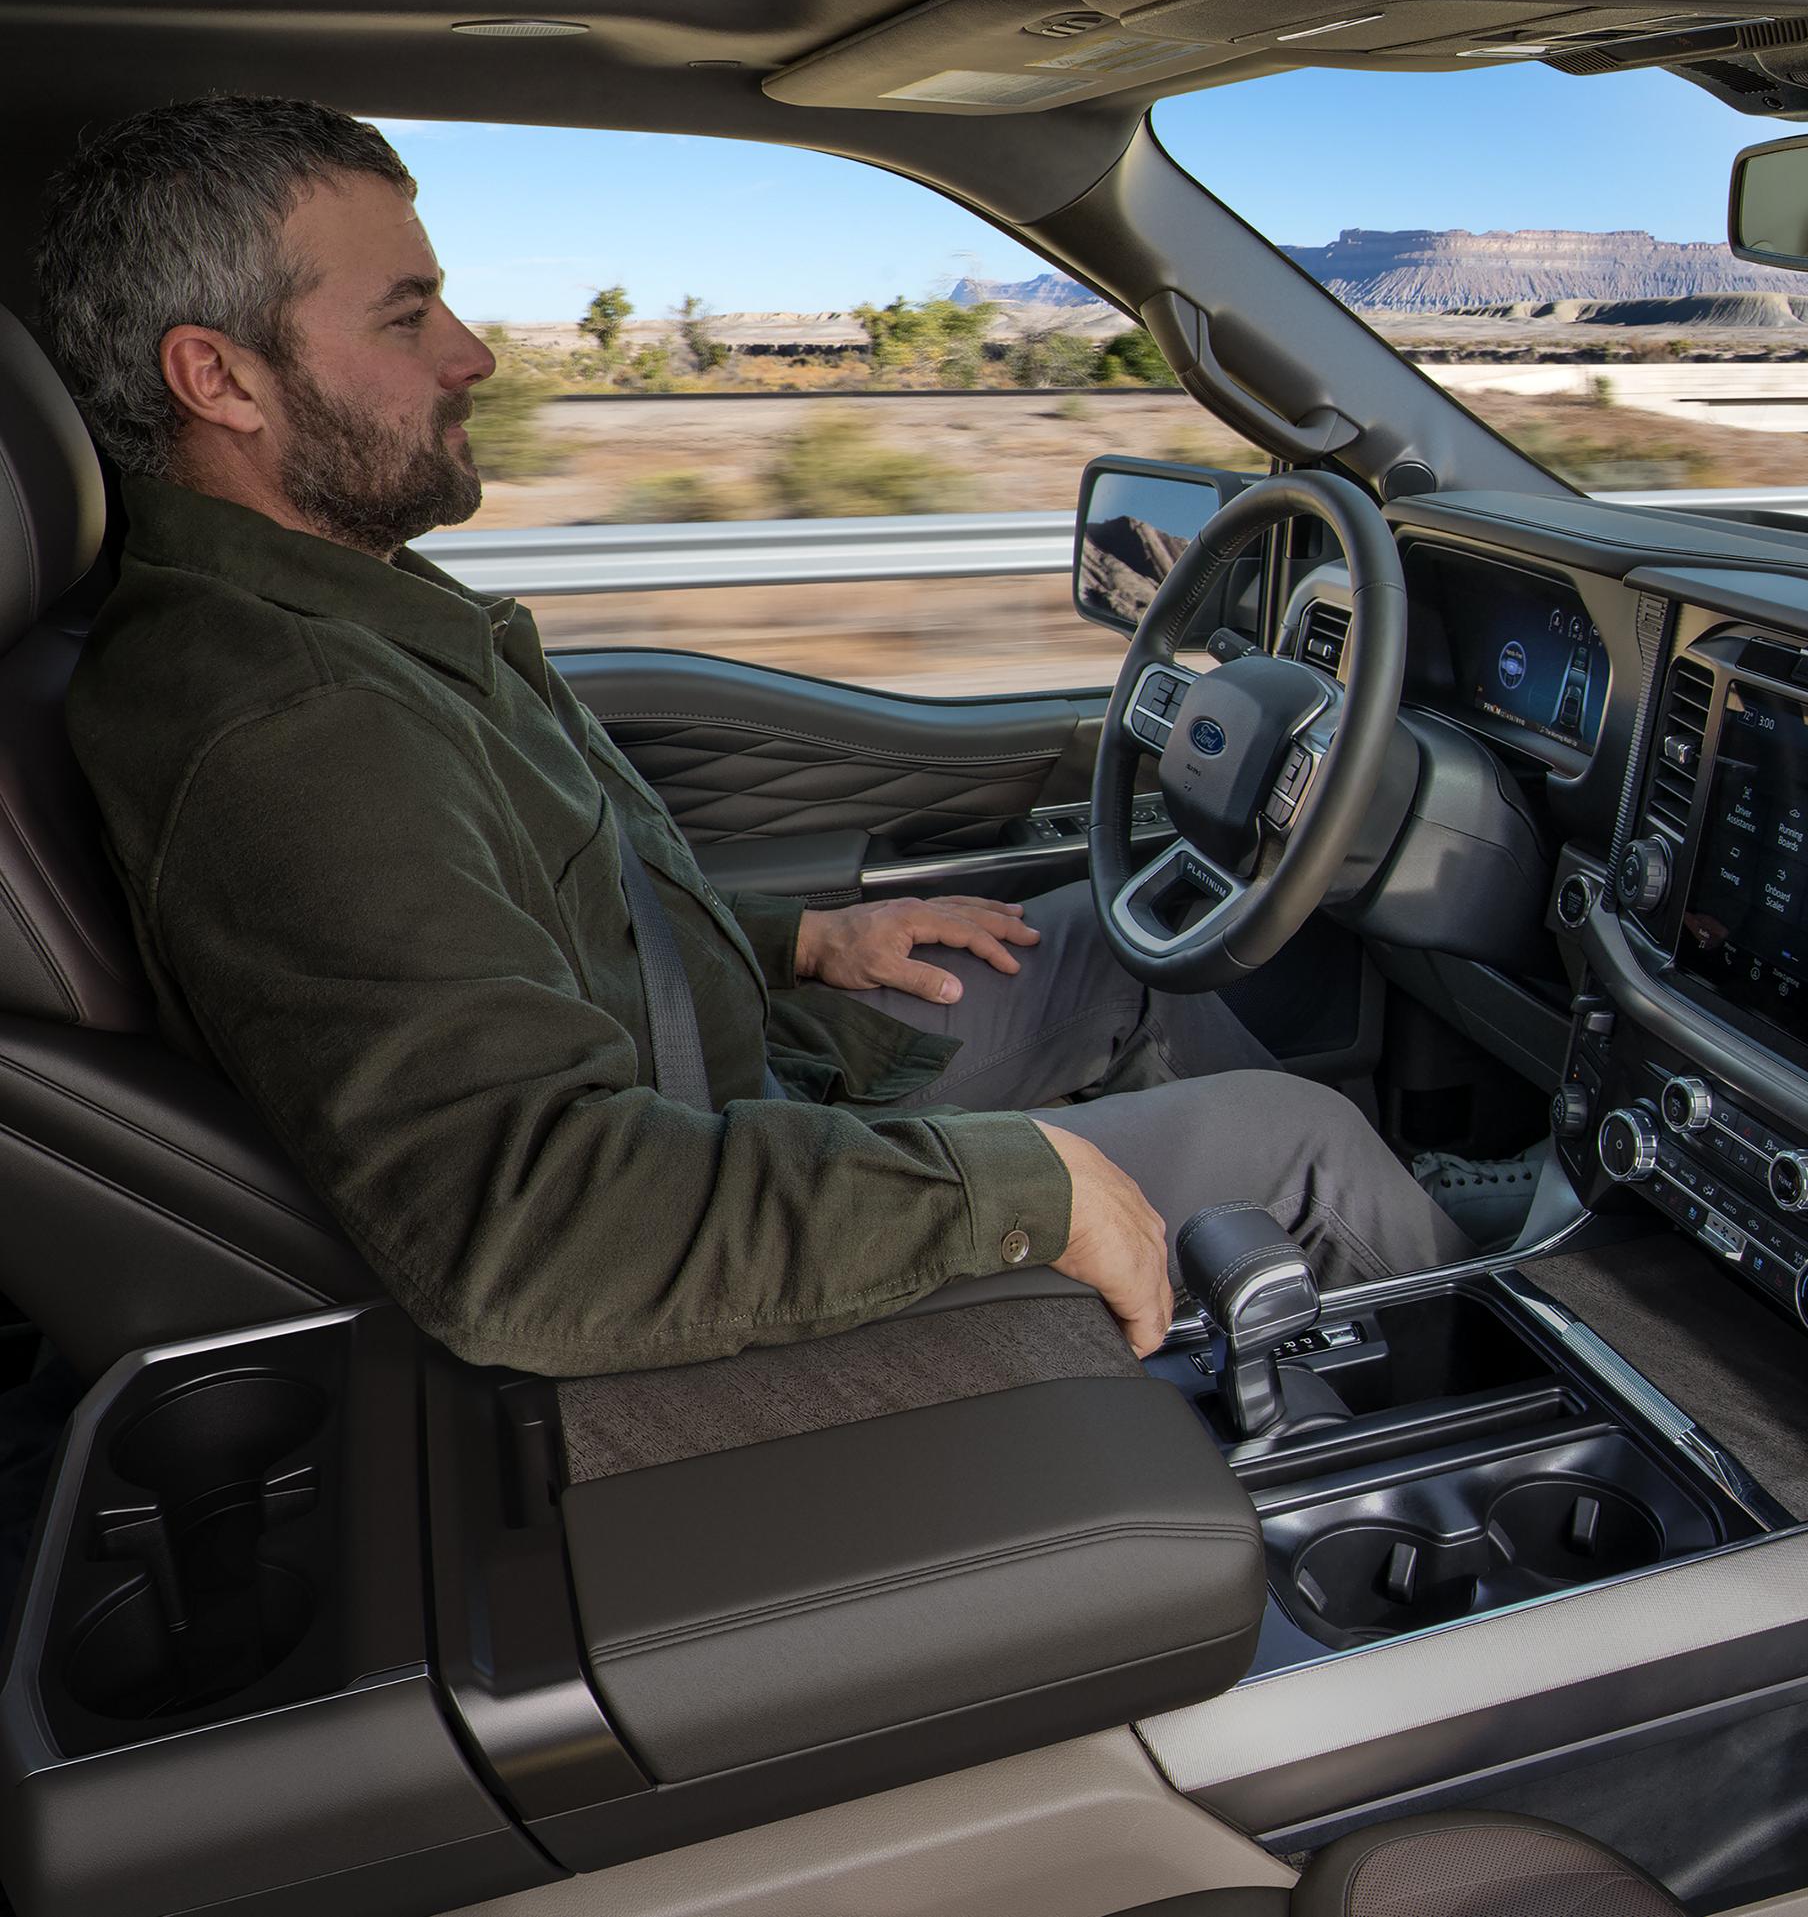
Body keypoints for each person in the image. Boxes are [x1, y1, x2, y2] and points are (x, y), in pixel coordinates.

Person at [38, 94, 1472, 1382]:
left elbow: (513, 919)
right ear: (219, 380)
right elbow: (538, 1231)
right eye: (408, 318)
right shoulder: (291, 728)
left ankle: (1221, 1326)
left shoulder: (330, 606)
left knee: (1111, 944)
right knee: (1305, 1147)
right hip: (688, 1216)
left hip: (734, 1087)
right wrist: (1020, 1191)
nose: (474, 356)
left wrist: (795, 943)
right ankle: (1482, 1449)